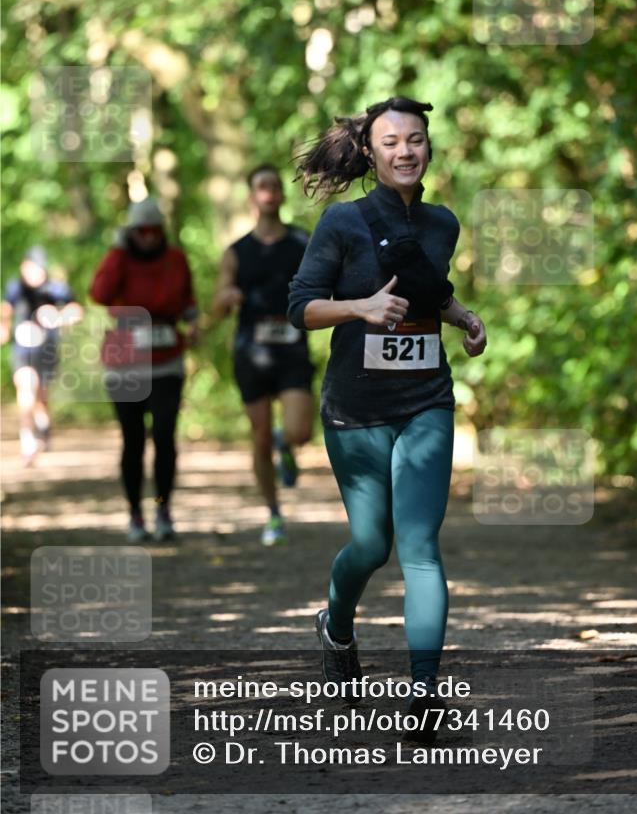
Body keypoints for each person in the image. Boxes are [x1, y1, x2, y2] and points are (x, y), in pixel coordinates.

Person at [287, 96, 487, 739]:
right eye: (393, 141)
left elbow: (429, 289)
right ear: (370, 153)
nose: (407, 150)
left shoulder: (443, 223)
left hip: (426, 398)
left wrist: (462, 318)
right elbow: (302, 308)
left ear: (429, 148)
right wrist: (361, 308)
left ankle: (423, 696)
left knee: (422, 547)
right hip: (356, 407)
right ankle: (336, 624)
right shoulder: (342, 223)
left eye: (418, 140)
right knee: (373, 546)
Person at [213, 163, 314, 547]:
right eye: (261, 186)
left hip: (291, 350)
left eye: (274, 185)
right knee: (257, 438)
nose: (269, 191)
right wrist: (226, 297)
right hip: (250, 352)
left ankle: (284, 443)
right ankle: (273, 514)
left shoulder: (302, 244)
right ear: (251, 196)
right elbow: (218, 305)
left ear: (282, 195)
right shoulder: (236, 252)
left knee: (300, 430)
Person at [90, 197, 199, 543]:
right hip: (125, 364)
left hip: (167, 359)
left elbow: (188, 301)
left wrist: (193, 323)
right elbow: (100, 293)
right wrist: (118, 251)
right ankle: (135, 513)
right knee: (133, 440)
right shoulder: (120, 259)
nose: (149, 237)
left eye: (155, 230)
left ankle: (163, 509)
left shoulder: (175, 259)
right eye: (141, 231)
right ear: (131, 232)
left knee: (165, 437)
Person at [1, 246, 82, 465]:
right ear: (24, 267)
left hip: (46, 350)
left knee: (41, 395)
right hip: (22, 349)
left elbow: (76, 311)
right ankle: (28, 443)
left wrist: (59, 316)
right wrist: (4, 328)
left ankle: (43, 424)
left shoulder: (55, 289)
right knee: (26, 388)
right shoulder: (15, 287)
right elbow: (6, 309)